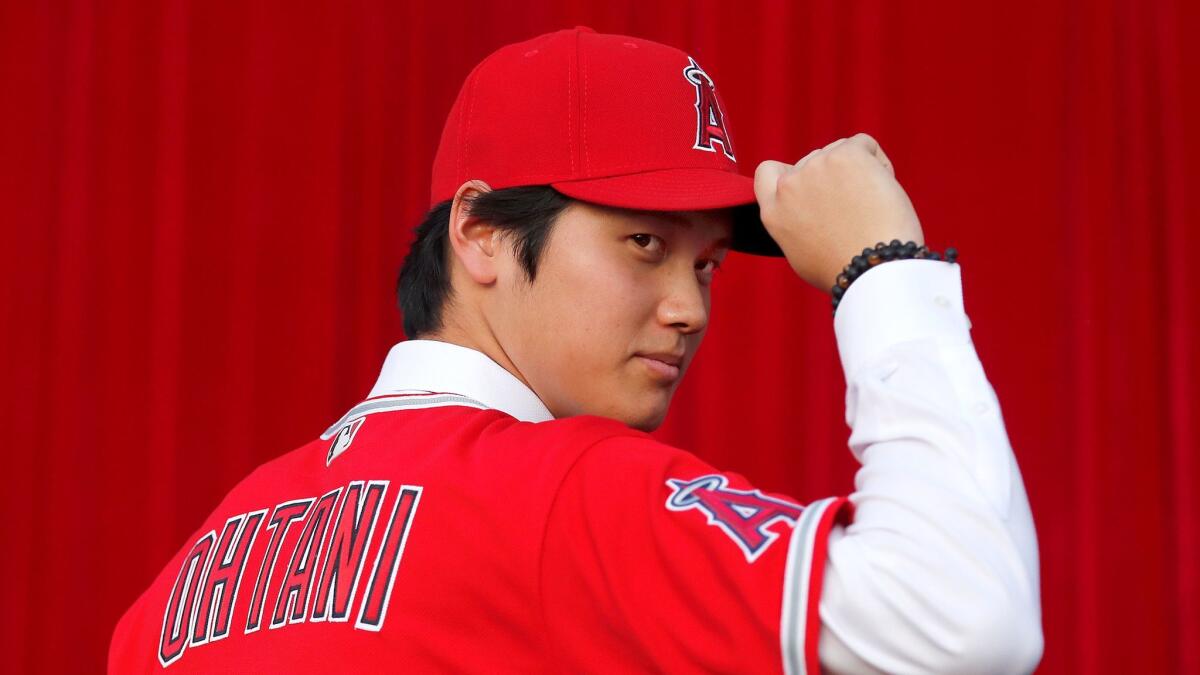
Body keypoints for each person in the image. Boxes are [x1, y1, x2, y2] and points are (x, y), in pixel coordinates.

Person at [110, 26, 1043, 674]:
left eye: (708, 264)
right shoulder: (563, 493)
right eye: (644, 243)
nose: (688, 307)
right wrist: (883, 271)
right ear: (476, 231)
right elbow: (967, 617)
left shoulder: (177, 591)